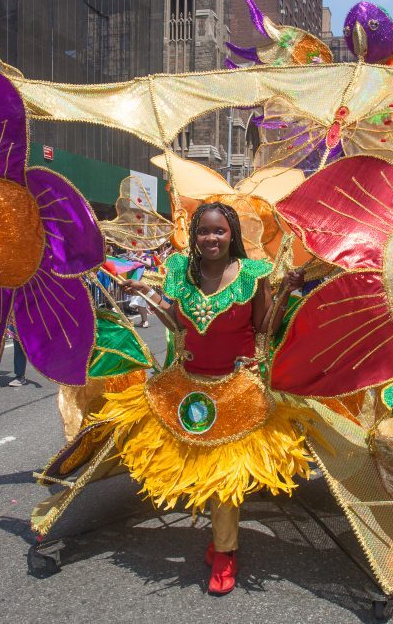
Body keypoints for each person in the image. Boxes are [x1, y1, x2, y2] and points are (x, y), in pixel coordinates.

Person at [119, 202, 301, 595]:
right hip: (188, 387)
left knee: (223, 476)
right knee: (197, 470)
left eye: (219, 231)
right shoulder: (180, 271)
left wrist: (285, 292)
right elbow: (175, 321)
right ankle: (221, 538)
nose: (211, 238)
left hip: (236, 389)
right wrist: (146, 292)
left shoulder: (253, 274)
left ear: (232, 234)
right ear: (194, 234)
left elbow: (265, 328)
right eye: (203, 231)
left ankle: (225, 553)